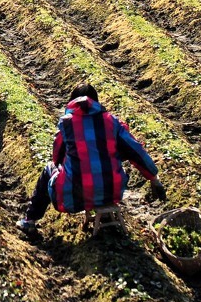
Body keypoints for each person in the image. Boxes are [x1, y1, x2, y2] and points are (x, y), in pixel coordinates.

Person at [17, 83, 167, 233]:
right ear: (96, 101)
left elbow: (56, 157)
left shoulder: (66, 123)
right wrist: (153, 178)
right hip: (112, 192)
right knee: (113, 153)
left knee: (49, 168)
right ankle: (105, 211)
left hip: (74, 196)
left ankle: (29, 220)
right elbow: (136, 151)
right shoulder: (112, 122)